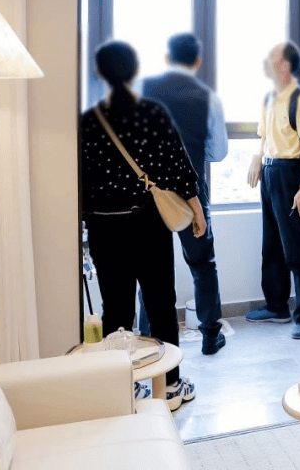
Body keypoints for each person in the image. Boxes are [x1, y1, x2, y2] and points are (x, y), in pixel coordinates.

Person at [79, 40, 204, 411]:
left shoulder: (89, 121)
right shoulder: (152, 113)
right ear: (134, 71)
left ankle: (123, 389)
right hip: (148, 224)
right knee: (161, 304)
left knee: (116, 310)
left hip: (104, 228)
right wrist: (196, 208)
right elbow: (177, 165)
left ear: (100, 72)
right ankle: (170, 386)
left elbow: (79, 180)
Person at [138, 33, 229, 355]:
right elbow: (218, 152)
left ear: (167, 58)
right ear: (197, 62)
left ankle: (149, 339)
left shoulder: (143, 88)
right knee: (203, 264)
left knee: (151, 270)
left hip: (150, 193)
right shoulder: (208, 97)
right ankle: (210, 335)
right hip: (193, 193)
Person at [246, 42, 300, 339]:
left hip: (291, 174)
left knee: (295, 247)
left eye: (271, 57)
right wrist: (257, 158)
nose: (266, 61)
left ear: (284, 66)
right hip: (270, 172)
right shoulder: (269, 98)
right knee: (271, 244)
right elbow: (263, 136)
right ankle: (277, 306)